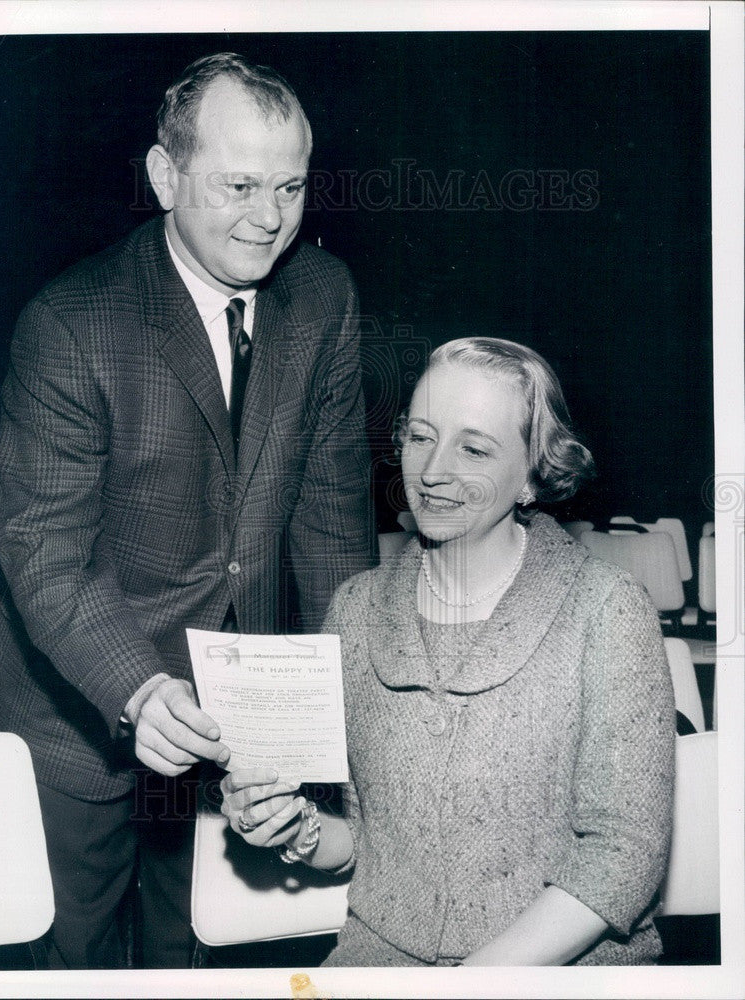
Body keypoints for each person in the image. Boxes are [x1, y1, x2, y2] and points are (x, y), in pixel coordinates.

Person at [0, 52, 373, 969]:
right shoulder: (72, 323)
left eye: (290, 186)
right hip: (83, 708)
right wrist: (136, 688)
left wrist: (345, 707)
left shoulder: (324, 298)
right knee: (73, 958)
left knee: (194, 953)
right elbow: (42, 550)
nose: (271, 218)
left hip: (246, 718)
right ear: (166, 177)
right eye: (238, 184)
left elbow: (331, 521)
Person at [220, 337, 676, 966]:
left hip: (562, 969)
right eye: (420, 437)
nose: (433, 472)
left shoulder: (606, 608)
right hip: (380, 956)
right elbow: (364, 841)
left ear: (534, 474)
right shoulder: (355, 610)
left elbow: (624, 854)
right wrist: (292, 826)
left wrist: (472, 981)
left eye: (474, 448)